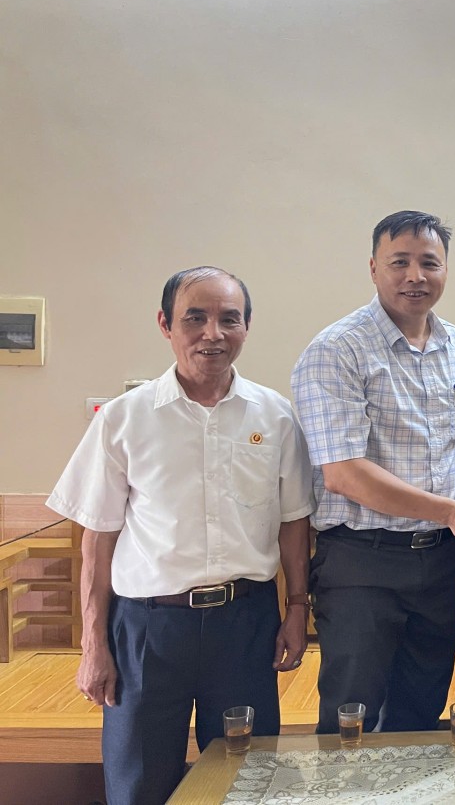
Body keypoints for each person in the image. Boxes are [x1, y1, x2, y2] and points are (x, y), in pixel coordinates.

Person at [46, 267, 314, 805]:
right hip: (148, 628)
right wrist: (93, 644)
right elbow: (98, 540)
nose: (213, 333)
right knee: (140, 782)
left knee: (245, 779)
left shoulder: (275, 416)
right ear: (165, 324)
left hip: (245, 623)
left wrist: (297, 610)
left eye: (229, 319)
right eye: (195, 318)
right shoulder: (123, 419)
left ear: (247, 326)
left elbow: (294, 522)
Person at [291, 210, 455, 736]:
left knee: (420, 708)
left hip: (439, 561)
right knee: (352, 716)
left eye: (429, 263)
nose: (415, 276)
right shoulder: (336, 350)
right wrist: (453, 509)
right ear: (373, 268)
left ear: (446, 270)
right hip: (363, 561)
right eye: (399, 262)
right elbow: (344, 473)